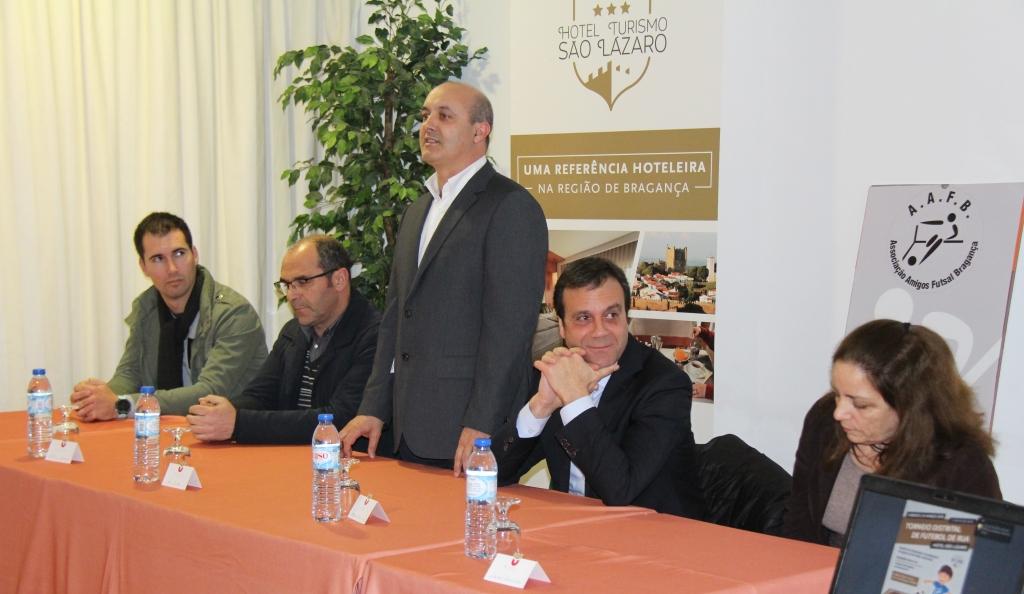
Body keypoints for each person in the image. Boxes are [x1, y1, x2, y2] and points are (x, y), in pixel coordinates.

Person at [340, 81, 548, 475]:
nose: (428, 126)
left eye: (444, 116)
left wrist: (482, 424)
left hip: (465, 432)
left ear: (479, 130)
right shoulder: (417, 211)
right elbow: (396, 320)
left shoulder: (510, 207)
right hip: (408, 428)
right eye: (425, 116)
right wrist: (373, 407)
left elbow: (509, 333)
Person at [491, 257, 704, 518]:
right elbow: (495, 473)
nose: (600, 331)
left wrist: (574, 398)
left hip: (652, 538)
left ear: (627, 317)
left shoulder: (665, 384)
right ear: (561, 326)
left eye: (611, 315)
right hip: (571, 530)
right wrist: (541, 406)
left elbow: (619, 490)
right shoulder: (558, 371)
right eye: (583, 318)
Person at [783, 319, 1001, 546]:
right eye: (838, 394)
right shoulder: (824, 421)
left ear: (909, 407)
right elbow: (799, 523)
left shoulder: (961, 464)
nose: (839, 412)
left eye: (860, 405)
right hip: (819, 573)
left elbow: (988, 554)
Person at [187, 235, 380, 444]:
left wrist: (239, 424)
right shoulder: (294, 331)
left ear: (339, 279)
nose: (291, 295)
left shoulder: (374, 334)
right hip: (291, 458)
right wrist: (223, 412)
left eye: (303, 282)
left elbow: (339, 418)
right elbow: (260, 395)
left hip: (346, 467)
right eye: (287, 285)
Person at [71, 212, 266, 419]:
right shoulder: (146, 310)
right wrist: (98, 397)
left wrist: (122, 404)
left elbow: (209, 392)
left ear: (195, 254)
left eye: (179, 254)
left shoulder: (234, 313)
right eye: (158, 259)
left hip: (230, 437)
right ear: (143, 267)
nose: (172, 268)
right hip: (170, 430)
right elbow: (130, 373)